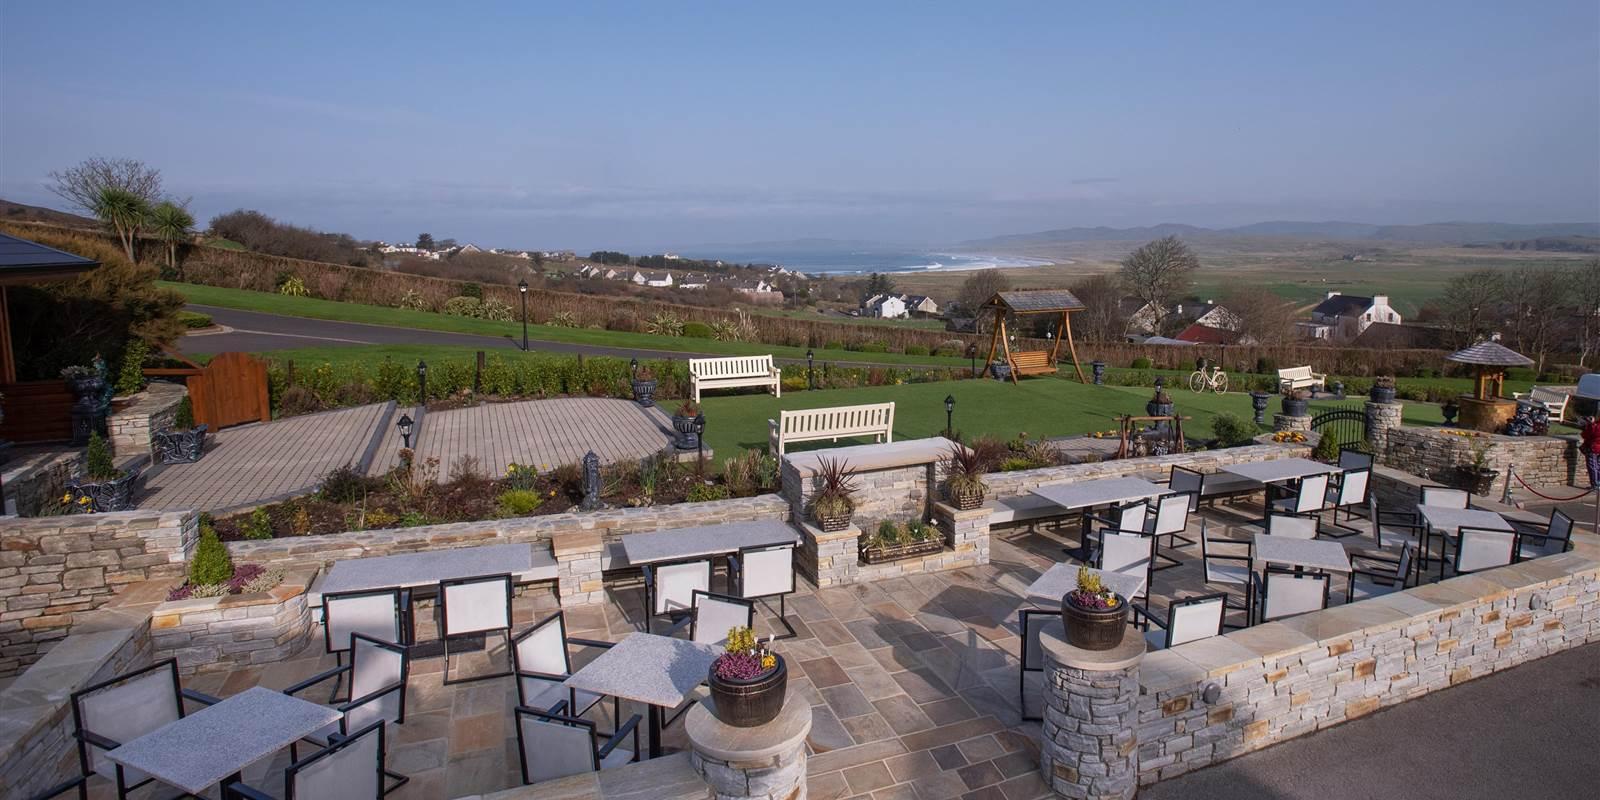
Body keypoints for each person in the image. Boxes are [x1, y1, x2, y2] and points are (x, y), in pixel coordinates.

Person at [1581, 414, 1600, 488]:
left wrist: (1590, 424)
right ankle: (1598, 483)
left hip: (1593, 448)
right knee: (1598, 466)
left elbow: (1585, 435)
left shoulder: (1596, 426)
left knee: (1592, 466)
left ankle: (1595, 484)